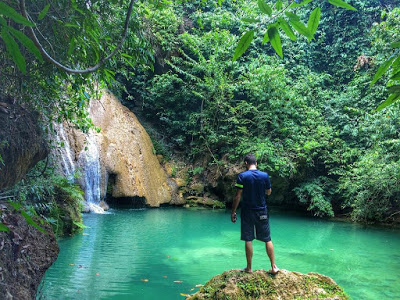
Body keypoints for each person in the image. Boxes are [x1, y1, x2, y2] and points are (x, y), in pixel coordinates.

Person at [231, 154, 279, 274]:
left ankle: (249, 268)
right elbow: (269, 192)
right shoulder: (264, 176)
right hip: (262, 211)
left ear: (246, 163)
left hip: (247, 212)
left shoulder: (242, 176)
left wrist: (233, 211)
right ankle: (273, 267)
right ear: (256, 163)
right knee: (267, 239)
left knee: (248, 239)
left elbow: (238, 196)